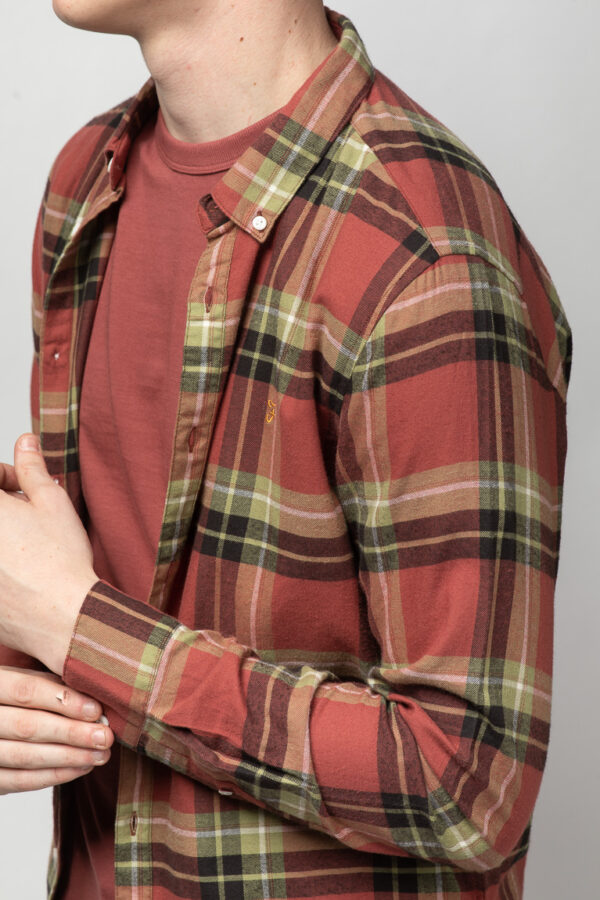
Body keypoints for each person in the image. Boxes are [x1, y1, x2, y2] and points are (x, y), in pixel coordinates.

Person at [0, 1, 572, 898]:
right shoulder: (87, 180)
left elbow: (467, 786)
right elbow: (79, 577)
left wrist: (75, 628)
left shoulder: (421, 260)